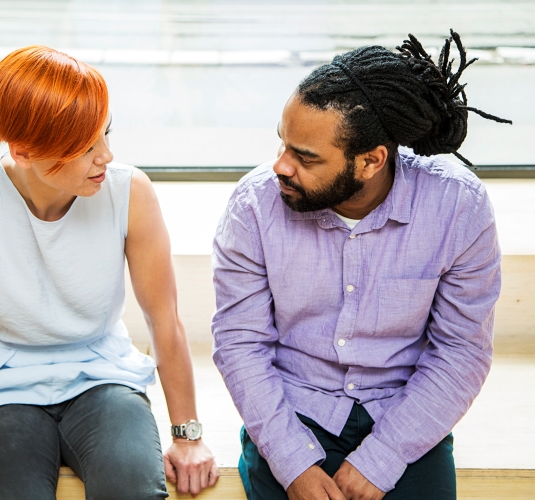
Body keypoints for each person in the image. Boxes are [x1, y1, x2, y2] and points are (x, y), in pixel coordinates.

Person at [211, 31, 510, 500]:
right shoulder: (253, 206)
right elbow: (240, 343)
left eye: (305, 157)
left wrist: (382, 458)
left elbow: (461, 351)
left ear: (371, 161)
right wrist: (293, 464)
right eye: (283, 144)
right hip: (293, 411)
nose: (280, 166)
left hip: (403, 414)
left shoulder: (458, 207)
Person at [0, 45, 218, 500]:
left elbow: (163, 317)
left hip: (104, 375)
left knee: (132, 490)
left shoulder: (129, 191)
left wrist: (187, 434)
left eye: (105, 134)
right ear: (23, 152)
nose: (106, 156)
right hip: (0, 384)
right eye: (84, 147)